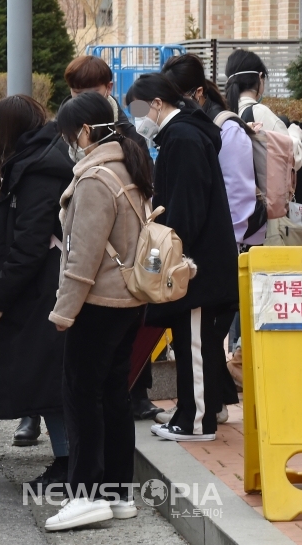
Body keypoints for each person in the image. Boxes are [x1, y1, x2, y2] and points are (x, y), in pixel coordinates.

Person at [45, 91, 154, 531]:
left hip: (97, 303)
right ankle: (117, 492)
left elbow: (81, 256)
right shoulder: (131, 167)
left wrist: (63, 312)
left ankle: (86, 495)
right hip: (129, 302)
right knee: (112, 396)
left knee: (80, 397)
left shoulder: (95, 179)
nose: (71, 144)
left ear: (85, 132)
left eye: (72, 136)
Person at [125, 74, 239, 442]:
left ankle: (196, 421)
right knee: (193, 341)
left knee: (195, 342)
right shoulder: (185, 135)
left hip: (194, 265)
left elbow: (186, 209)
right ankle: (192, 412)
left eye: (139, 109)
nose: (138, 118)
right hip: (196, 261)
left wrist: (171, 257)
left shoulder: (183, 139)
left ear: (157, 103)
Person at [0, 95, 75, 492]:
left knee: (51, 383)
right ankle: (66, 462)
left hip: (44, 290)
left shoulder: (39, 171)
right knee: (49, 382)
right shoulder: (41, 159)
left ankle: (68, 465)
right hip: (43, 287)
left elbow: (30, 243)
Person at [64, 54, 164, 422]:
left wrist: (64, 309)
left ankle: (140, 394)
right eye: (75, 92)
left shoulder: (127, 129)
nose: (81, 99)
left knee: (96, 388)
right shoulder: (70, 128)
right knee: (107, 387)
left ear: (108, 89)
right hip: (118, 284)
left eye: (89, 91)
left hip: (107, 282)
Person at [160, 54, 252, 424]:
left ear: (197, 92)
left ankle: (201, 414)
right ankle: (209, 405)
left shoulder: (220, 130)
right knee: (200, 339)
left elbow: (237, 195)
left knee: (202, 337)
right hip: (208, 248)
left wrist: (225, 243)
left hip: (218, 248)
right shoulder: (190, 129)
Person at [225, 49, 302, 248]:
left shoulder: (227, 115)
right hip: (266, 219)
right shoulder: (259, 112)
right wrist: (295, 135)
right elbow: (292, 159)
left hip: (240, 218)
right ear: (260, 78)